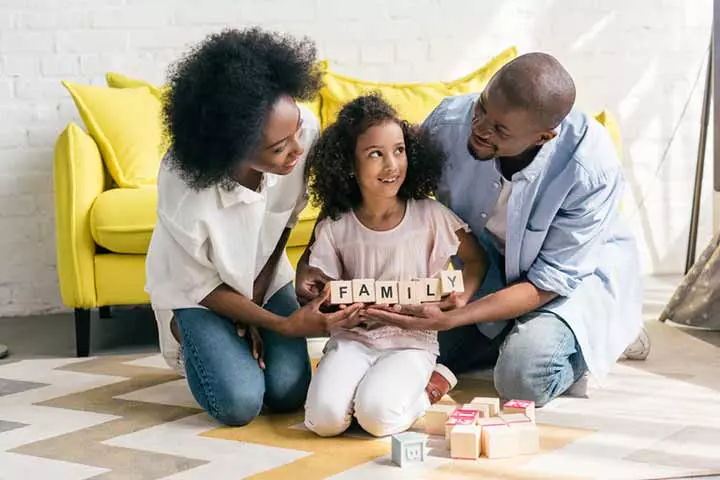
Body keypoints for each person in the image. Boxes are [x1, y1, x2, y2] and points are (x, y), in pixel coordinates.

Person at [296, 52, 645, 407]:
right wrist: (310, 257)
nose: (479, 129)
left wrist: (455, 319)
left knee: (522, 379)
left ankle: (604, 335)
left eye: (499, 130)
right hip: (490, 275)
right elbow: (374, 184)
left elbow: (549, 281)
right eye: (481, 109)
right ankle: (502, 334)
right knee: (400, 337)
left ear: (543, 136)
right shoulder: (449, 123)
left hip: (568, 285)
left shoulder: (590, 169)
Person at [145, 28, 361, 427]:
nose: (297, 149)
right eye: (279, 148)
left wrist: (257, 306)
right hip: (199, 291)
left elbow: (283, 224)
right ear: (233, 148)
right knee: (240, 403)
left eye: (297, 132)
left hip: (263, 274)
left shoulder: (299, 129)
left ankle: (227, 339)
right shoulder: (185, 186)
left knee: (288, 393)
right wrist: (280, 323)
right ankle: (184, 331)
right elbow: (202, 285)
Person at [301, 94, 487, 437]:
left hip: (411, 342)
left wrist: (462, 296)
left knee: (376, 419)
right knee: (323, 421)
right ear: (348, 164)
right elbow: (322, 283)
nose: (392, 165)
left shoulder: (430, 216)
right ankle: (366, 392)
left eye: (399, 150)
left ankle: (431, 387)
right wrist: (326, 298)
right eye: (375, 154)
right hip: (353, 339)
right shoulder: (336, 224)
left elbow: (476, 259)